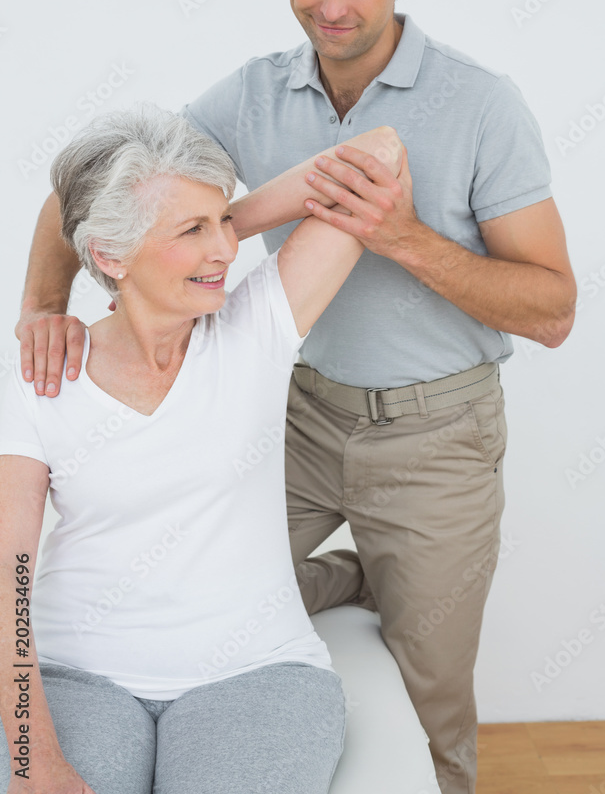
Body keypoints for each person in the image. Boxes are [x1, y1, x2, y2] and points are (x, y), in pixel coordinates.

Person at [14, 0, 577, 794]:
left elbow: (554, 311)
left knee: (429, 678)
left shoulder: (480, 105)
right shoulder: (249, 94)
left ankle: (384, 602)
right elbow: (101, 188)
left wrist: (399, 239)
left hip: (435, 433)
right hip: (297, 414)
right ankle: (346, 576)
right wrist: (49, 306)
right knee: (176, 582)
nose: (333, 7)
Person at [0, 106, 402, 793]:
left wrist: (211, 218)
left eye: (224, 225)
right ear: (108, 254)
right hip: (78, 675)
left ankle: (337, 577)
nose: (225, 250)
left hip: (256, 674)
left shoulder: (257, 327)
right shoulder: (40, 375)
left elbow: (382, 153)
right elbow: (8, 585)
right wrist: (36, 760)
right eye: (193, 231)